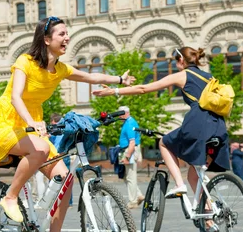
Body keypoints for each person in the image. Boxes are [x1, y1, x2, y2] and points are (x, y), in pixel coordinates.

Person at [0, 16, 134, 232]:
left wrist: (119, 80)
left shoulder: (60, 69)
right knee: (41, 149)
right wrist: (32, 122)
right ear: (46, 39)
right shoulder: (26, 62)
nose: (67, 38)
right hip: (7, 124)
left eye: (67, 33)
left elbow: (90, 77)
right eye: (61, 34)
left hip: (33, 128)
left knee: (65, 179)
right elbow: (15, 97)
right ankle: (10, 198)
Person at [93, 47, 230, 203]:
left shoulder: (183, 75)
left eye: (175, 60)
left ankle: (179, 185)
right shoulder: (209, 77)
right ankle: (209, 217)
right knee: (194, 175)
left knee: (164, 143)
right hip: (218, 126)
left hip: (198, 123)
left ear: (181, 60)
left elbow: (144, 88)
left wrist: (114, 91)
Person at [117, 106, 144, 209]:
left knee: (130, 177)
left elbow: (132, 143)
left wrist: (127, 156)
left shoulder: (129, 124)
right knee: (126, 176)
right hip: (129, 150)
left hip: (129, 150)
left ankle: (132, 202)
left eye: (120, 114)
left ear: (124, 113)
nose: (119, 116)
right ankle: (138, 195)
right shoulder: (129, 122)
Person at [49, 112, 73, 207]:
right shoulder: (66, 127)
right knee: (67, 178)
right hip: (64, 155)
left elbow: (53, 142)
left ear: (54, 121)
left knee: (55, 179)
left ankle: (57, 201)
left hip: (59, 156)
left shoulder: (57, 129)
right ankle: (68, 202)